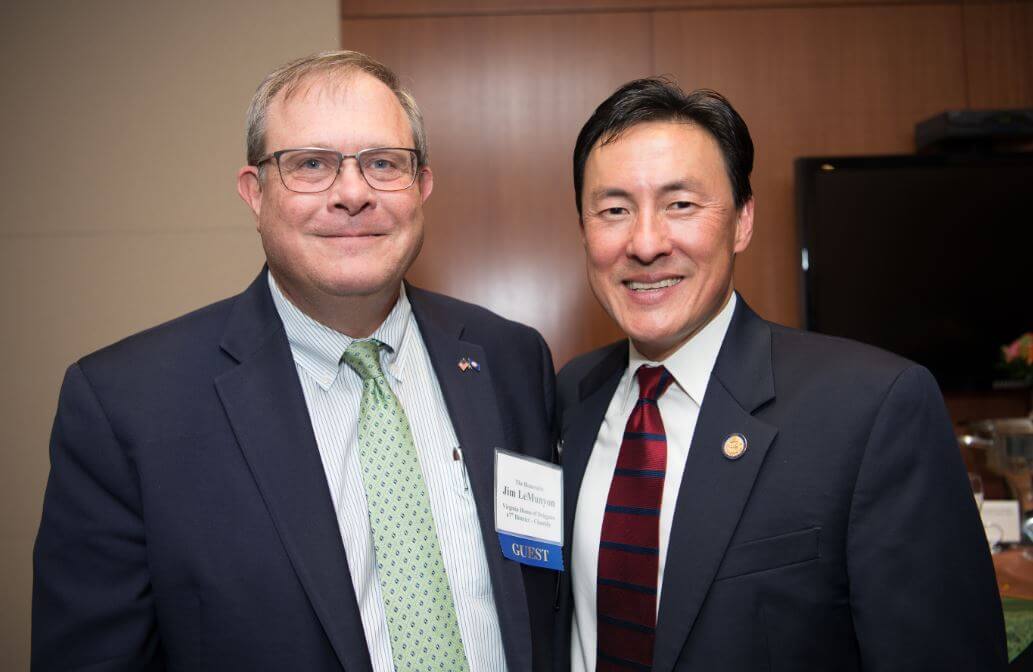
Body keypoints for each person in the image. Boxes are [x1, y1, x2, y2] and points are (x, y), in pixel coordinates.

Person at [33, 51, 556, 671]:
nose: (354, 194)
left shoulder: (511, 359)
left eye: (384, 164)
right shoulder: (128, 407)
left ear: (422, 187)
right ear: (254, 194)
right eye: (311, 164)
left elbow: (542, 586)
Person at [553, 78, 1006, 671]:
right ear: (585, 230)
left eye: (680, 205)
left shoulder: (872, 408)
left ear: (741, 220)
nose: (644, 243)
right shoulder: (568, 396)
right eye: (614, 210)